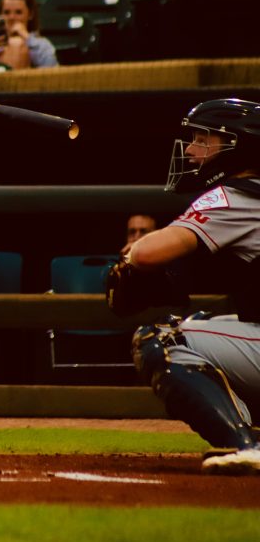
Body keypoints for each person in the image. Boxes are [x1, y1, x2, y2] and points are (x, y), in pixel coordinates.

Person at [110, 98, 260, 474]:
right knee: (202, 324)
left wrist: (129, 259)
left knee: (162, 340)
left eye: (203, 140)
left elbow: (145, 253)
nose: (191, 150)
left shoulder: (236, 195)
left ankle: (247, 445)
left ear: (239, 146)